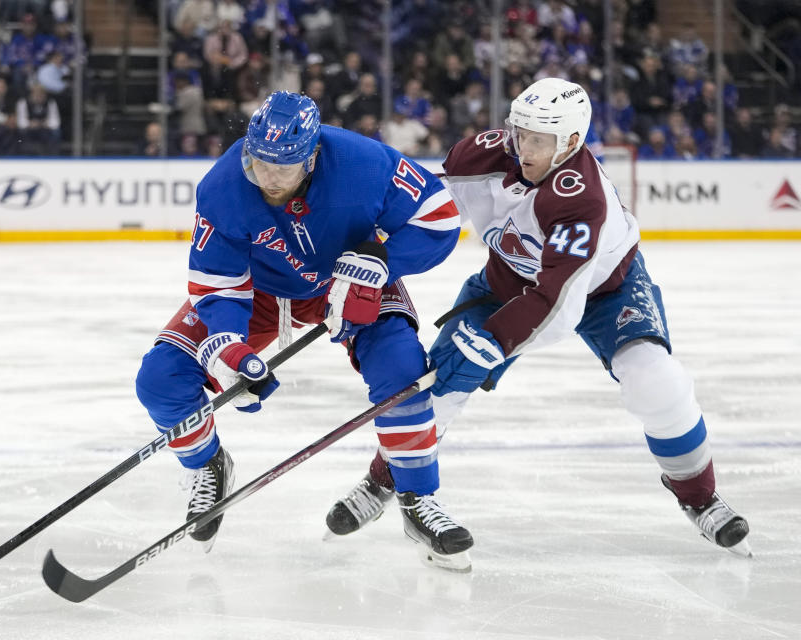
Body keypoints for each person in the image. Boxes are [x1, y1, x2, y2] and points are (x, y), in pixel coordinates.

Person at [329, 78, 751, 557]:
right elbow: (428, 212)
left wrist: (495, 340)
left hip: (606, 289)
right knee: (437, 386)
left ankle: (700, 497)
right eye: (518, 132)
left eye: (537, 140)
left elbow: (559, 302)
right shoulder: (482, 156)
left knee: (657, 381)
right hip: (508, 282)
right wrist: (375, 252)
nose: (521, 146)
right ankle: (387, 481)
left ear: (570, 143)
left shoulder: (581, 198)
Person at [135, 91, 474, 571]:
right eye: (259, 164)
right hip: (259, 292)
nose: (267, 179)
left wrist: (381, 261)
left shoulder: (363, 162)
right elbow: (217, 283)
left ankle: (417, 499)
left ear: (312, 156)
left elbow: (439, 219)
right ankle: (207, 464)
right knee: (160, 378)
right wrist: (227, 345)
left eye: (283, 168)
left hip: (354, 276)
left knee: (402, 370)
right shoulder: (223, 187)